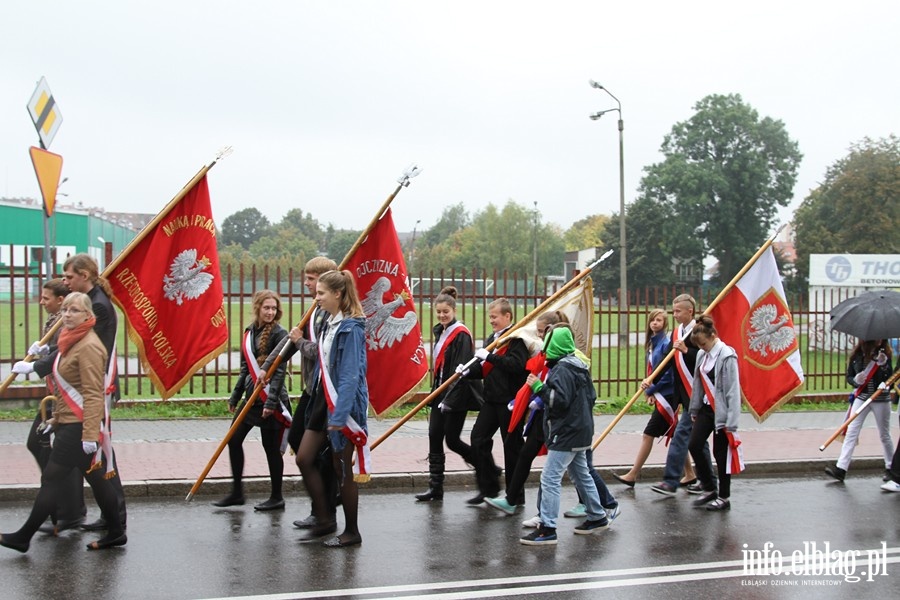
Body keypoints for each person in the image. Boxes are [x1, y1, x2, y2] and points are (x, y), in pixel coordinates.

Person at [1, 292, 126, 553]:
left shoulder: (89, 346)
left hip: (80, 426)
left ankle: (23, 537)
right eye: (65, 310)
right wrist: (55, 418)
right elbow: (62, 386)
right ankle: (116, 532)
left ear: (88, 316)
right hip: (69, 420)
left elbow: (92, 393)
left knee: (51, 479)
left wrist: (91, 435)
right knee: (98, 480)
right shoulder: (70, 341)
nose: (67, 314)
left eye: (74, 310)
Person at [260, 257, 339, 528]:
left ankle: (325, 510)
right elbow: (289, 344)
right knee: (297, 439)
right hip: (311, 388)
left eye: (310, 278)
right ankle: (323, 503)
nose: (306, 283)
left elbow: (319, 352)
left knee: (311, 455)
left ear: (324, 278)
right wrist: (266, 368)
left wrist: (299, 340)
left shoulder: (331, 313)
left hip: (326, 391)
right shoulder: (315, 308)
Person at [297, 270, 369, 547]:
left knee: (343, 471)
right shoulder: (328, 322)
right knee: (304, 457)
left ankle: (352, 531)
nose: (316, 298)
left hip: (344, 406)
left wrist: (340, 417)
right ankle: (325, 518)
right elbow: (323, 364)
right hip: (323, 400)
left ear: (337, 294)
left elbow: (351, 375)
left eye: (321, 293)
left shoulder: (351, 328)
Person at [519, 325, 609, 545]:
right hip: (582, 430)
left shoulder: (562, 370)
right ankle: (597, 516)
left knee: (550, 478)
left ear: (555, 345)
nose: (544, 349)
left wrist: (539, 387)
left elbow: (559, 401)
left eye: (548, 344)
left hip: (566, 432)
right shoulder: (579, 366)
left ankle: (547, 527)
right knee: (581, 474)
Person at [214, 290, 292, 511]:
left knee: (271, 449)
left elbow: (278, 372)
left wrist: (270, 403)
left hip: (271, 400)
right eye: (266, 307)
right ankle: (237, 492)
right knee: (233, 439)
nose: (270, 312)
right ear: (257, 307)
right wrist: (235, 396)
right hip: (251, 398)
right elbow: (244, 369)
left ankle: (277, 497)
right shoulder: (249, 332)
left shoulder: (280, 333)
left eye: (273, 308)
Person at [20, 279, 87, 534]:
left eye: (46, 298)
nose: (41, 301)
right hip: (54, 394)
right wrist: (43, 349)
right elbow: (57, 348)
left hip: (66, 397)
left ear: (61, 300)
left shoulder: (67, 319)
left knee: (63, 457)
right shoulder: (57, 321)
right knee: (41, 446)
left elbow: (65, 351)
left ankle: (69, 512)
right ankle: (66, 509)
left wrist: (36, 364)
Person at [460, 298, 529, 505]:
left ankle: (515, 496)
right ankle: (489, 488)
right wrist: (467, 371)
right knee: (478, 439)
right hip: (491, 399)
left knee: (512, 447)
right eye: (490, 317)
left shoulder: (516, 338)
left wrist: (489, 357)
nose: (491, 320)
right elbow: (485, 368)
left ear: (507, 316)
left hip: (510, 401)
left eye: (495, 316)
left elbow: (517, 365)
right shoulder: (494, 338)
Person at [612, 308, 691, 486]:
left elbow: (668, 374)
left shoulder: (665, 344)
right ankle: (690, 472)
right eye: (653, 320)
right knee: (676, 434)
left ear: (665, 324)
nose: (655, 323)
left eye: (659, 321)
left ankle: (633, 474)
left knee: (648, 434)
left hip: (669, 397)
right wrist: (652, 392)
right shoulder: (652, 344)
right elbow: (653, 370)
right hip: (660, 394)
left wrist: (651, 389)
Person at [415, 286, 480, 501]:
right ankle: (436, 487)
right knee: (434, 435)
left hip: (456, 395)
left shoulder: (460, 335)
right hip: (440, 393)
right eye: (439, 312)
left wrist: (449, 400)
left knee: (452, 440)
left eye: (446, 312)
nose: (442, 316)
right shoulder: (441, 331)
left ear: (454, 310)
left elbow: (460, 371)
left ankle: (485, 467)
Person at [650, 294, 713, 498]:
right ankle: (707, 481)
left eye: (678, 311)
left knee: (681, 435)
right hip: (684, 395)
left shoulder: (699, 331)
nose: (674, 314)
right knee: (698, 440)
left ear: (690, 311)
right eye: (673, 310)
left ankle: (670, 481)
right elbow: (668, 359)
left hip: (700, 395)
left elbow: (708, 359)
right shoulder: (677, 332)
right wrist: (652, 379)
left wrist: (687, 351)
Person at [687, 316, 742, 511]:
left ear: (713, 336)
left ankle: (724, 497)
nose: (702, 348)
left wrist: (732, 421)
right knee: (694, 444)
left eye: (703, 343)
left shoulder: (727, 356)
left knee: (721, 455)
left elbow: (733, 390)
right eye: (699, 345)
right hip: (705, 409)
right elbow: (698, 383)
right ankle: (709, 487)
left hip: (722, 413)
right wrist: (694, 408)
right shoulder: (703, 355)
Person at [825, 339, 894, 482]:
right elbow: (849, 376)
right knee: (851, 431)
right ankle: (841, 468)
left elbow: (890, 378)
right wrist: (856, 380)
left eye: (881, 338)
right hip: (861, 398)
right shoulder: (857, 356)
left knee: (884, 434)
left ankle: (890, 468)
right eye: (876, 337)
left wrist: (884, 366)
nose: (879, 340)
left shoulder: (884, 355)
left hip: (880, 399)